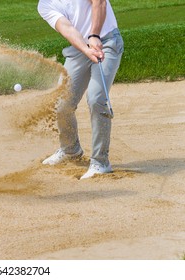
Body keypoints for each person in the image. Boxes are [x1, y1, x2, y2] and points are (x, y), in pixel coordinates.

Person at [37, 0, 124, 179]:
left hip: (107, 41)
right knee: (62, 103)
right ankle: (70, 150)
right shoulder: (44, 5)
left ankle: (101, 162)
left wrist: (94, 35)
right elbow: (67, 28)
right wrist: (86, 49)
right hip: (79, 49)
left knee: (96, 99)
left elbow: (99, 2)